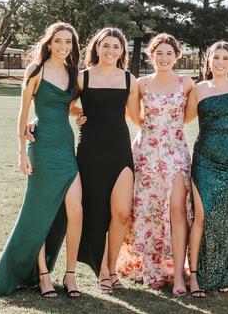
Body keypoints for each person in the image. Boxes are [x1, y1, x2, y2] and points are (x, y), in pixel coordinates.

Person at [0, 22, 83, 298]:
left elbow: (65, 105)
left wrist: (80, 114)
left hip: (66, 149)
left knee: (76, 211)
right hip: (42, 149)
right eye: (58, 41)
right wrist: (21, 153)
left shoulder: (72, 73)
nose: (63, 46)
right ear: (49, 43)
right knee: (39, 214)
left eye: (68, 42)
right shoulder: (35, 71)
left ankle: (70, 275)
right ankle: (43, 277)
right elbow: (23, 115)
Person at [117, 33, 194, 295]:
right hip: (147, 152)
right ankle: (152, 268)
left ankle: (179, 272)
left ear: (176, 56)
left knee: (177, 210)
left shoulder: (186, 83)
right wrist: (152, 131)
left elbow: (190, 116)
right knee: (148, 210)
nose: (163, 57)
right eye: (158, 53)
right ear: (151, 55)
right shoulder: (141, 83)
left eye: (168, 53)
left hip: (175, 153)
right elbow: (134, 116)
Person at [76, 27, 141, 294]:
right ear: (97, 46)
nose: (111, 51)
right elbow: (60, 103)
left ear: (122, 51)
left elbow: (138, 118)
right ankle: (103, 272)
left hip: (120, 150)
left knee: (122, 213)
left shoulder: (129, 80)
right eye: (106, 45)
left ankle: (113, 269)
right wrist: (79, 112)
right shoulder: (83, 78)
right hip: (91, 151)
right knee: (95, 213)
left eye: (116, 47)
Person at [184, 41, 228, 297]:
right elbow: (182, 119)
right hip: (205, 159)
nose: (221, 62)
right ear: (208, 61)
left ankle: (225, 272)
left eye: (226, 58)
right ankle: (195, 276)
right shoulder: (198, 89)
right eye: (216, 58)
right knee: (202, 216)